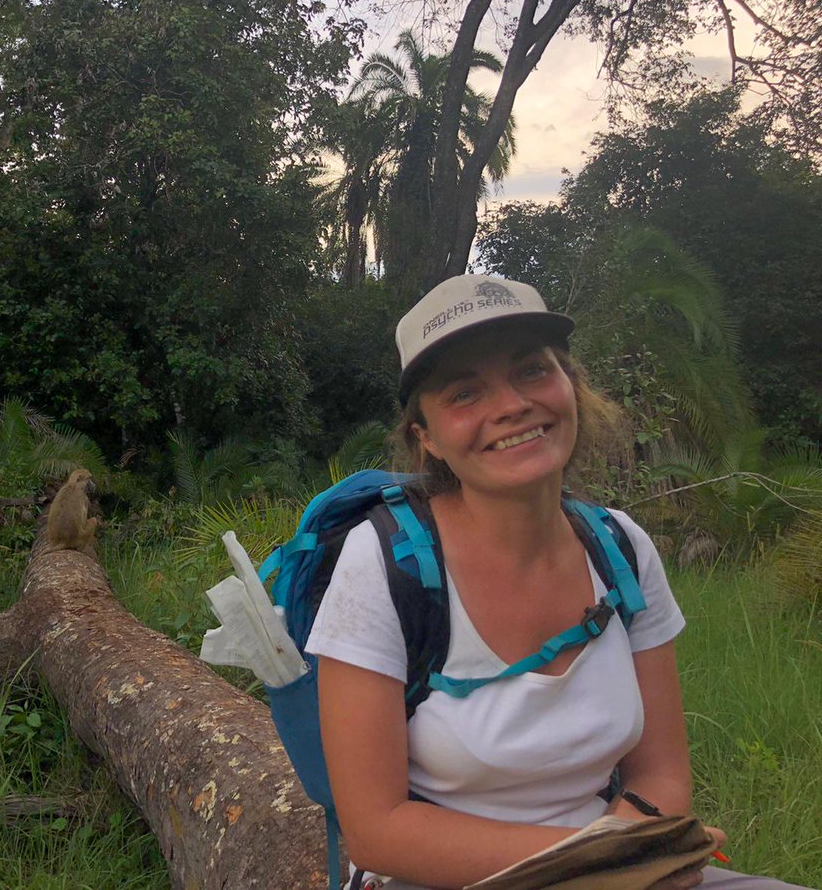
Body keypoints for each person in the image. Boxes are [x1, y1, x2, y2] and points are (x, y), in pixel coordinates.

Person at [304, 275, 809, 890]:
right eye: (465, 393)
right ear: (427, 438)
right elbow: (377, 830)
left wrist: (624, 856)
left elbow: (662, 775)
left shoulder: (621, 547)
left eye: (532, 372)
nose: (512, 405)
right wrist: (607, 857)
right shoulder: (384, 563)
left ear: (571, 386)